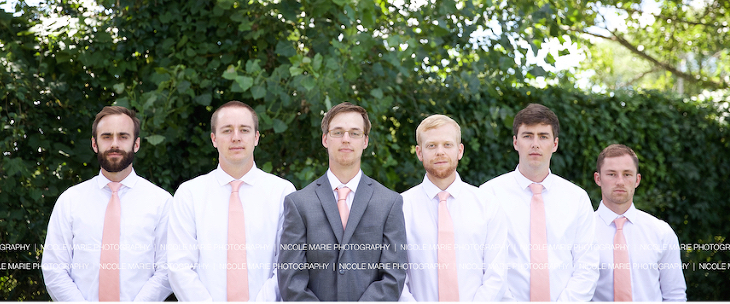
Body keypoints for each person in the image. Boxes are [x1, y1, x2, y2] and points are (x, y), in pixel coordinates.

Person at [278, 102, 407, 301]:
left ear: (365, 141)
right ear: (325, 139)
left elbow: (393, 276)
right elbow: (291, 278)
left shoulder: (390, 203)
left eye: (354, 133)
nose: (346, 139)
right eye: (338, 132)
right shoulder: (298, 203)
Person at [167, 101, 295, 301]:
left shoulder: (283, 193)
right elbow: (179, 267)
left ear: (256, 138)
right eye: (227, 130)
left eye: (244, 130)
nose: (236, 137)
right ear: (214, 139)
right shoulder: (189, 194)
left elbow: (286, 264)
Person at [41, 106, 173, 301]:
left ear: (136, 144)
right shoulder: (70, 200)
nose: (114, 144)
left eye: (123, 136)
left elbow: (167, 269)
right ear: (94, 144)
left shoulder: (162, 203)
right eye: (106, 136)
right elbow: (54, 268)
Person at [480, 103, 598, 301]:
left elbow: (587, 267)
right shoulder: (488, 195)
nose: (535, 144)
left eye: (543, 136)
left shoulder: (577, 198)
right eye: (528, 136)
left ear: (555, 144)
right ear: (515, 142)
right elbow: (482, 265)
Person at [400, 114, 508, 301]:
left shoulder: (487, 205)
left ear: (460, 150)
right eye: (431, 145)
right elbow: (397, 277)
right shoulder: (400, 208)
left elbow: (496, 275)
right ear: (419, 152)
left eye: (447, 145)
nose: (440, 152)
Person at [591, 144, 686, 301]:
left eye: (627, 174)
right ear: (598, 179)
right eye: (612, 174)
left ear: (637, 179)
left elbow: (674, 295)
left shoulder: (661, 232)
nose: (620, 182)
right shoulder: (582, 232)